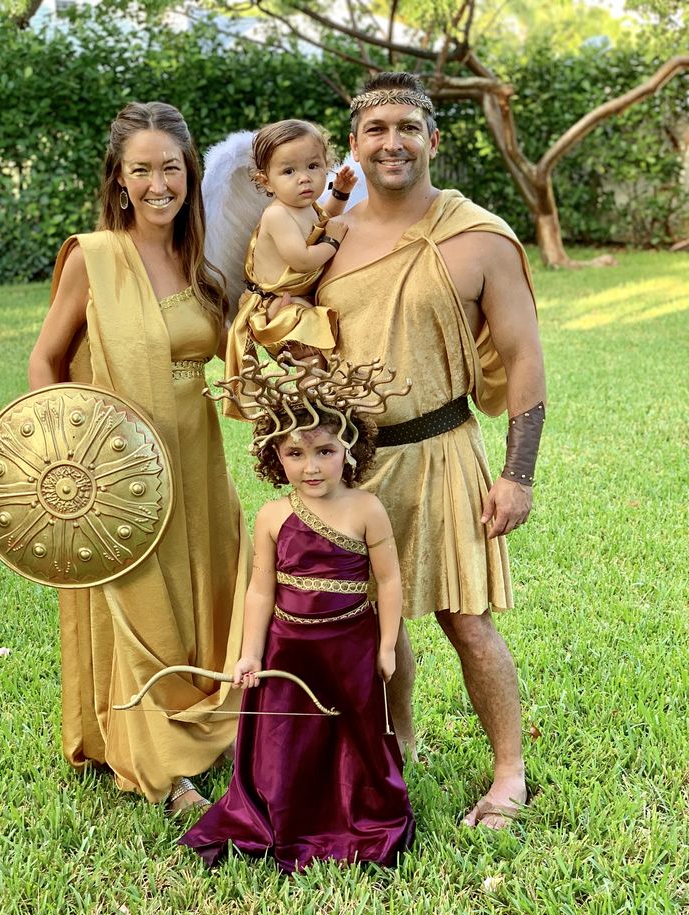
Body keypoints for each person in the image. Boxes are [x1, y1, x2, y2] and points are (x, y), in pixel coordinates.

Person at [312, 72, 547, 830]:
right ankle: (398, 738)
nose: (392, 142)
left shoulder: (477, 237)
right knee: (371, 616)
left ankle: (508, 771)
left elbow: (524, 361)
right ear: (354, 144)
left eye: (408, 127)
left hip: (445, 451)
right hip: (353, 463)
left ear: (433, 141)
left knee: (464, 618)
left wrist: (517, 475)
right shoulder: (329, 237)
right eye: (376, 128)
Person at [28, 102, 251, 813]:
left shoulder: (200, 256)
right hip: (116, 466)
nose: (160, 184)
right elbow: (46, 359)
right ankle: (162, 766)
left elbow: (234, 354)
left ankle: (208, 729)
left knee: (210, 586)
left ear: (190, 173)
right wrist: (70, 454)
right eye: (142, 171)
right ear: (119, 180)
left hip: (196, 456)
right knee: (140, 599)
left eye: (172, 169)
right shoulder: (93, 258)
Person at [180, 354, 415, 872]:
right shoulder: (272, 515)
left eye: (326, 451)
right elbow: (260, 590)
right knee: (287, 737)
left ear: (350, 450)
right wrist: (249, 654)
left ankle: (358, 812)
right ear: (274, 457)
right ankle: (284, 812)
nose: (311, 467)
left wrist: (384, 646)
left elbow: (390, 580)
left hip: (349, 644)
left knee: (352, 732)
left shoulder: (366, 509)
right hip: (287, 649)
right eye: (295, 453)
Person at [223, 119, 357, 407]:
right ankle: (310, 403)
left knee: (320, 350)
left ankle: (323, 397)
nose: (304, 178)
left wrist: (340, 194)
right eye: (289, 171)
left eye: (313, 166)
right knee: (310, 347)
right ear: (266, 181)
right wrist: (332, 243)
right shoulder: (278, 215)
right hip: (277, 305)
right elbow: (303, 259)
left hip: (292, 298)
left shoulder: (304, 206)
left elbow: (323, 221)